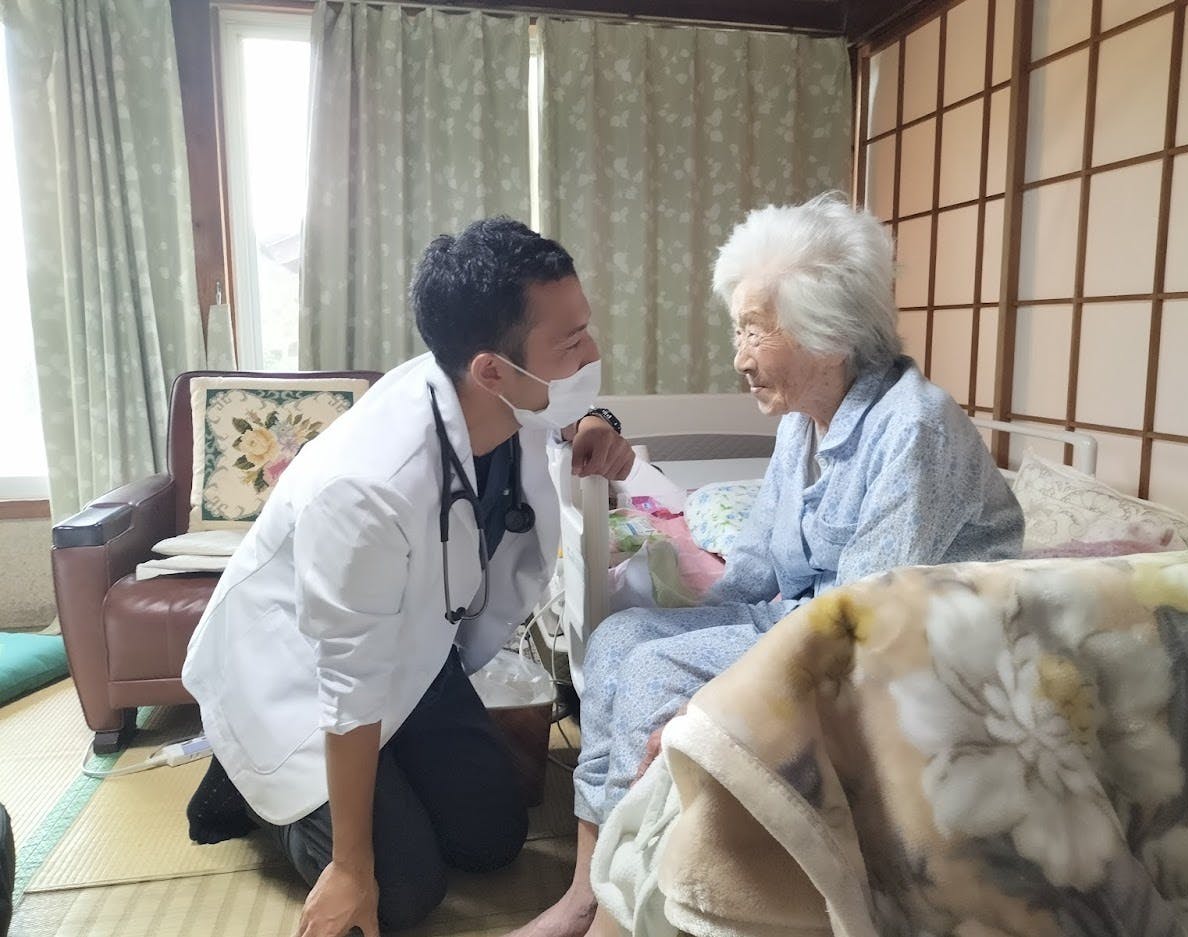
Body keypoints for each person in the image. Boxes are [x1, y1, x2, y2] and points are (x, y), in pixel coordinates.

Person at [509, 192, 1025, 937]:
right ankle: (588, 888)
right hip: (804, 617)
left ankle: (622, 914)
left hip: (906, 648)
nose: (738, 357)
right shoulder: (801, 423)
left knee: (655, 672)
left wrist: (709, 694)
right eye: (738, 329)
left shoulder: (914, 426)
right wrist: (685, 620)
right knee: (623, 639)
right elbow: (756, 566)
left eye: (753, 330)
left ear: (828, 333)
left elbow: (862, 618)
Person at [181, 217, 634, 937]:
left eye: (586, 330)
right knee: (398, 893)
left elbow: (551, 412)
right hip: (301, 676)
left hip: (413, 656)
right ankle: (246, 776)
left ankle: (380, 781)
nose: (594, 352)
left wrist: (593, 422)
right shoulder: (365, 486)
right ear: (492, 369)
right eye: (572, 341)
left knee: (492, 839)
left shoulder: (489, 392)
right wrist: (349, 867)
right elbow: (348, 682)